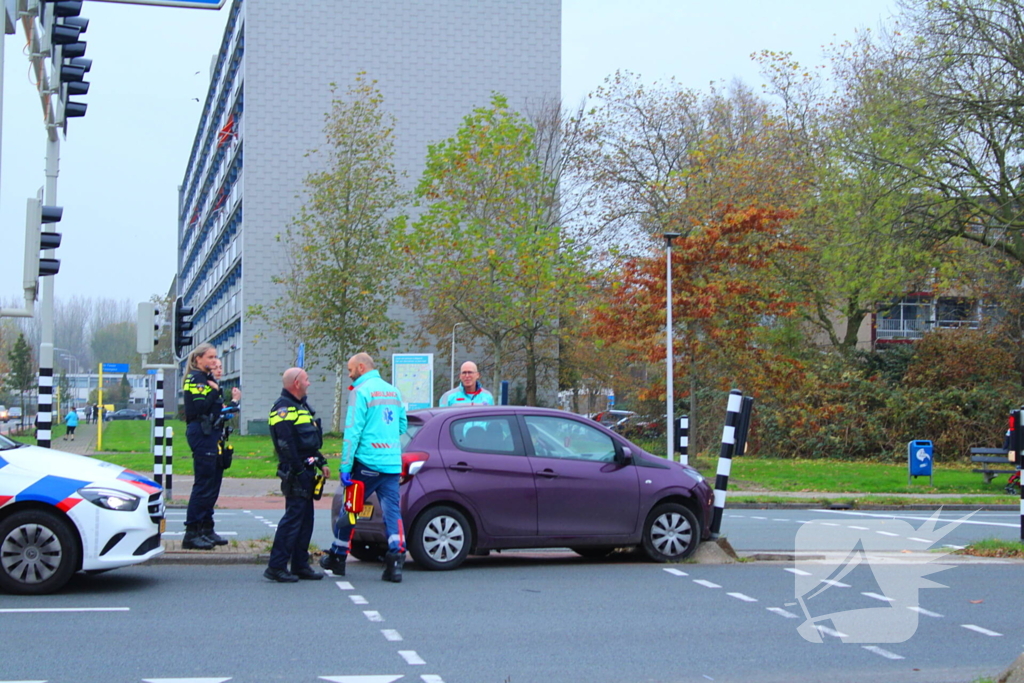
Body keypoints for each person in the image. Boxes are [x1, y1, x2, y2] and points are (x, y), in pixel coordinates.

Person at [320, 353, 408, 582]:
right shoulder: (394, 391)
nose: (349, 375)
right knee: (392, 512)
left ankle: (338, 556)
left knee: (350, 509)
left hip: (367, 463)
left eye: (350, 370)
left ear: (361, 367)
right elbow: (402, 425)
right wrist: (386, 440)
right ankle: (396, 561)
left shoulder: (360, 391)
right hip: (391, 463)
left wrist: (345, 466)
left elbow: (352, 431)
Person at [264, 367, 329, 583]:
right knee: (293, 520)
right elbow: (285, 444)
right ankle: (276, 567)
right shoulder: (282, 409)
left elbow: (307, 442)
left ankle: (300, 565)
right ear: (297, 383)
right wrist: (299, 471)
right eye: (306, 379)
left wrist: (321, 461)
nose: (309, 383)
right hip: (295, 471)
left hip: (306, 469)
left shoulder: (301, 407)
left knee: (305, 520)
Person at [182, 343, 241, 550]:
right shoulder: (196, 379)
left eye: (215, 357)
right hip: (202, 432)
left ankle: (206, 528)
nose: (215, 361)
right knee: (204, 484)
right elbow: (200, 407)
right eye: (210, 357)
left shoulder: (207, 379)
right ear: (198, 359)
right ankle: (192, 533)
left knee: (213, 483)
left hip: (212, 433)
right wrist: (215, 392)